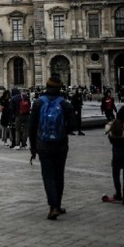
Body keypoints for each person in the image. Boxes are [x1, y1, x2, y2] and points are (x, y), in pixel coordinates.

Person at [28, 74, 75, 220]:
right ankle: (58, 205)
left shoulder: (38, 103)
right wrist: (63, 132)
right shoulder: (65, 103)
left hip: (43, 145)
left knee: (48, 176)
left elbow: (32, 127)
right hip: (60, 145)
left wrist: (33, 147)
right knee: (59, 175)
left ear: (46, 87)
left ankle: (53, 206)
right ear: (60, 88)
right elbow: (73, 126)